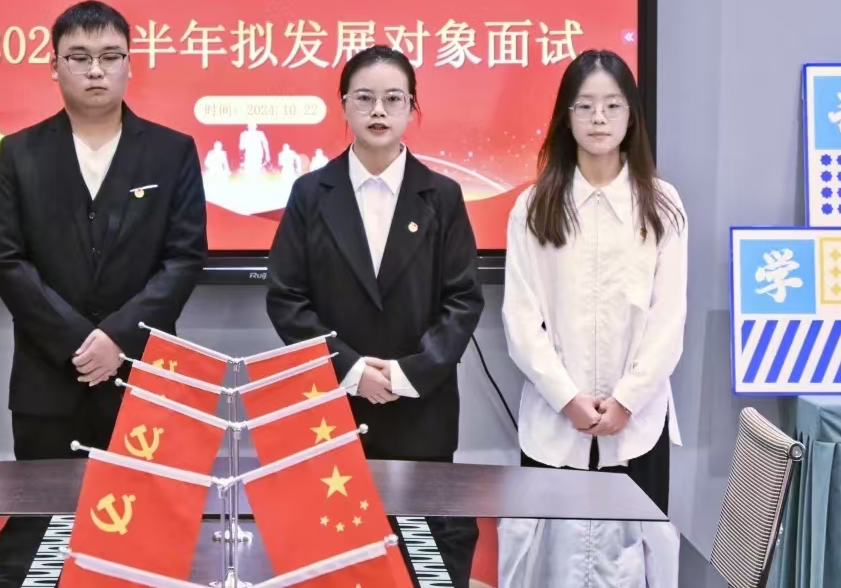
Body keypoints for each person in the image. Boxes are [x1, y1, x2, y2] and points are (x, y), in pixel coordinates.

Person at [0, 0, 208, 586]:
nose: (95, 70)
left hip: (143, 377)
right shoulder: (19, 152)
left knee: (144, 534)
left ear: (130, 65)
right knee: (39, 533)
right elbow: (8, 262)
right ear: (53, 66)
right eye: (78, 57)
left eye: (110, 57)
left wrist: (117, 340)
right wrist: (77, 342)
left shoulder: (171, 151)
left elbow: (184, 260)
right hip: (46, 378)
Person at [265, 45, 485, 588]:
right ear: (344, 105)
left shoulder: (442, 196)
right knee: (336, 559)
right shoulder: (310, 194)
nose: (379, 111)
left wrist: (408, 374)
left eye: (393, 99)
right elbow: (286, 298)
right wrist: (353, 369)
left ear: (413, 108)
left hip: (422, 412)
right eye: (365, 98)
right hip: (332, 410)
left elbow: (463, 300)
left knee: (425, 560)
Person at [498, 50, 687, 588]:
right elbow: (520, 319)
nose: (598, 118)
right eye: (585, 106)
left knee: (638, 557)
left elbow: (669, 316)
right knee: (547, 559)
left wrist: (627, 398)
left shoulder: (662, 204)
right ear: (567, 116)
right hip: (555, 419)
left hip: (638, 422)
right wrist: (567, 398)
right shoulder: (534, 206)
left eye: (612, 105)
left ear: (631, 116)